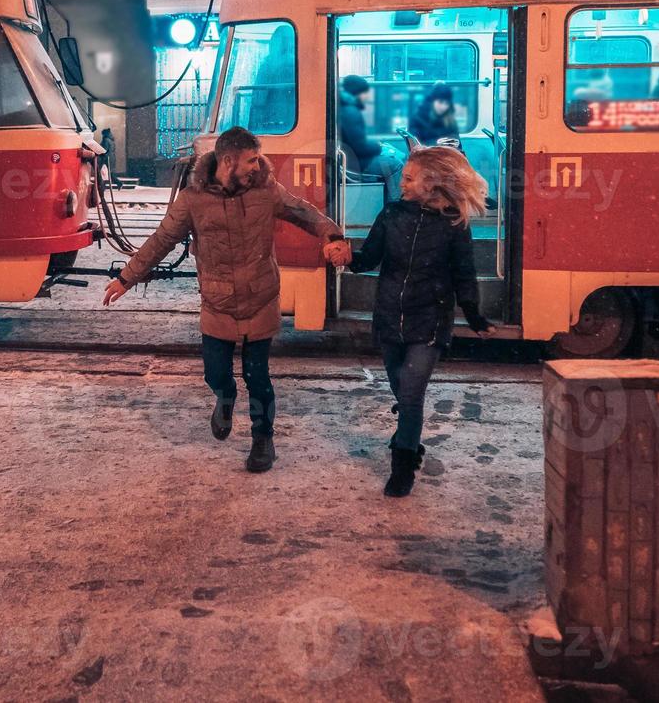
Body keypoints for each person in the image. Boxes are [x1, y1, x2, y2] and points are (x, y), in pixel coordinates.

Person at [103, 127, 353, 473]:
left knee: (259, 378)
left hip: (260, 297)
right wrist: (126, 277)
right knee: (215, 373)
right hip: (218, 301)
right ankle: (225, 396)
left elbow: (305, 212)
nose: (257, 165)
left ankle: (263, 440)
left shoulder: (266, 190)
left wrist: (333, 236)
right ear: (228, 161)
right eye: (251, 160)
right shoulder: (192, 199)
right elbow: (161, 240)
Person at [350, 147, 495, 498]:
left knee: (412, 394)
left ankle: (402, 466)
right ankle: (410, 438)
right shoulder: (391, 215)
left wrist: (473, 313)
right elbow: (369, 258)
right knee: (401, 386)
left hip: (430, 318)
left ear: (432, 184)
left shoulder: (452, 226)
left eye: (409, 178)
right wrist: (345, 257)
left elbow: (464, 274)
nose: (401, 182)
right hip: (389, 317)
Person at [338, 75, 404, 200]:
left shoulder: (344, 109)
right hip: (356, 164)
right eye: (365, 93)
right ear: (357, 93)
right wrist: (377, 147)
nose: (367, 97)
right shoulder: (350, 112)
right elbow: (360, 147)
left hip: (350, 159)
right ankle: (396, 209)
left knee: (389, 156)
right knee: (396, 164)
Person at [408, 82, 459, 147]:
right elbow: (415, 146)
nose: (443, 107)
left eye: (447, 103)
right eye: (440, 102)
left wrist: (456, 144)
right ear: (432, 101)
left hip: (448, 155)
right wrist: (435, 144)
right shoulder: (418, 119)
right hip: (426, 156)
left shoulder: (449, 119)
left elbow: (457, 142)